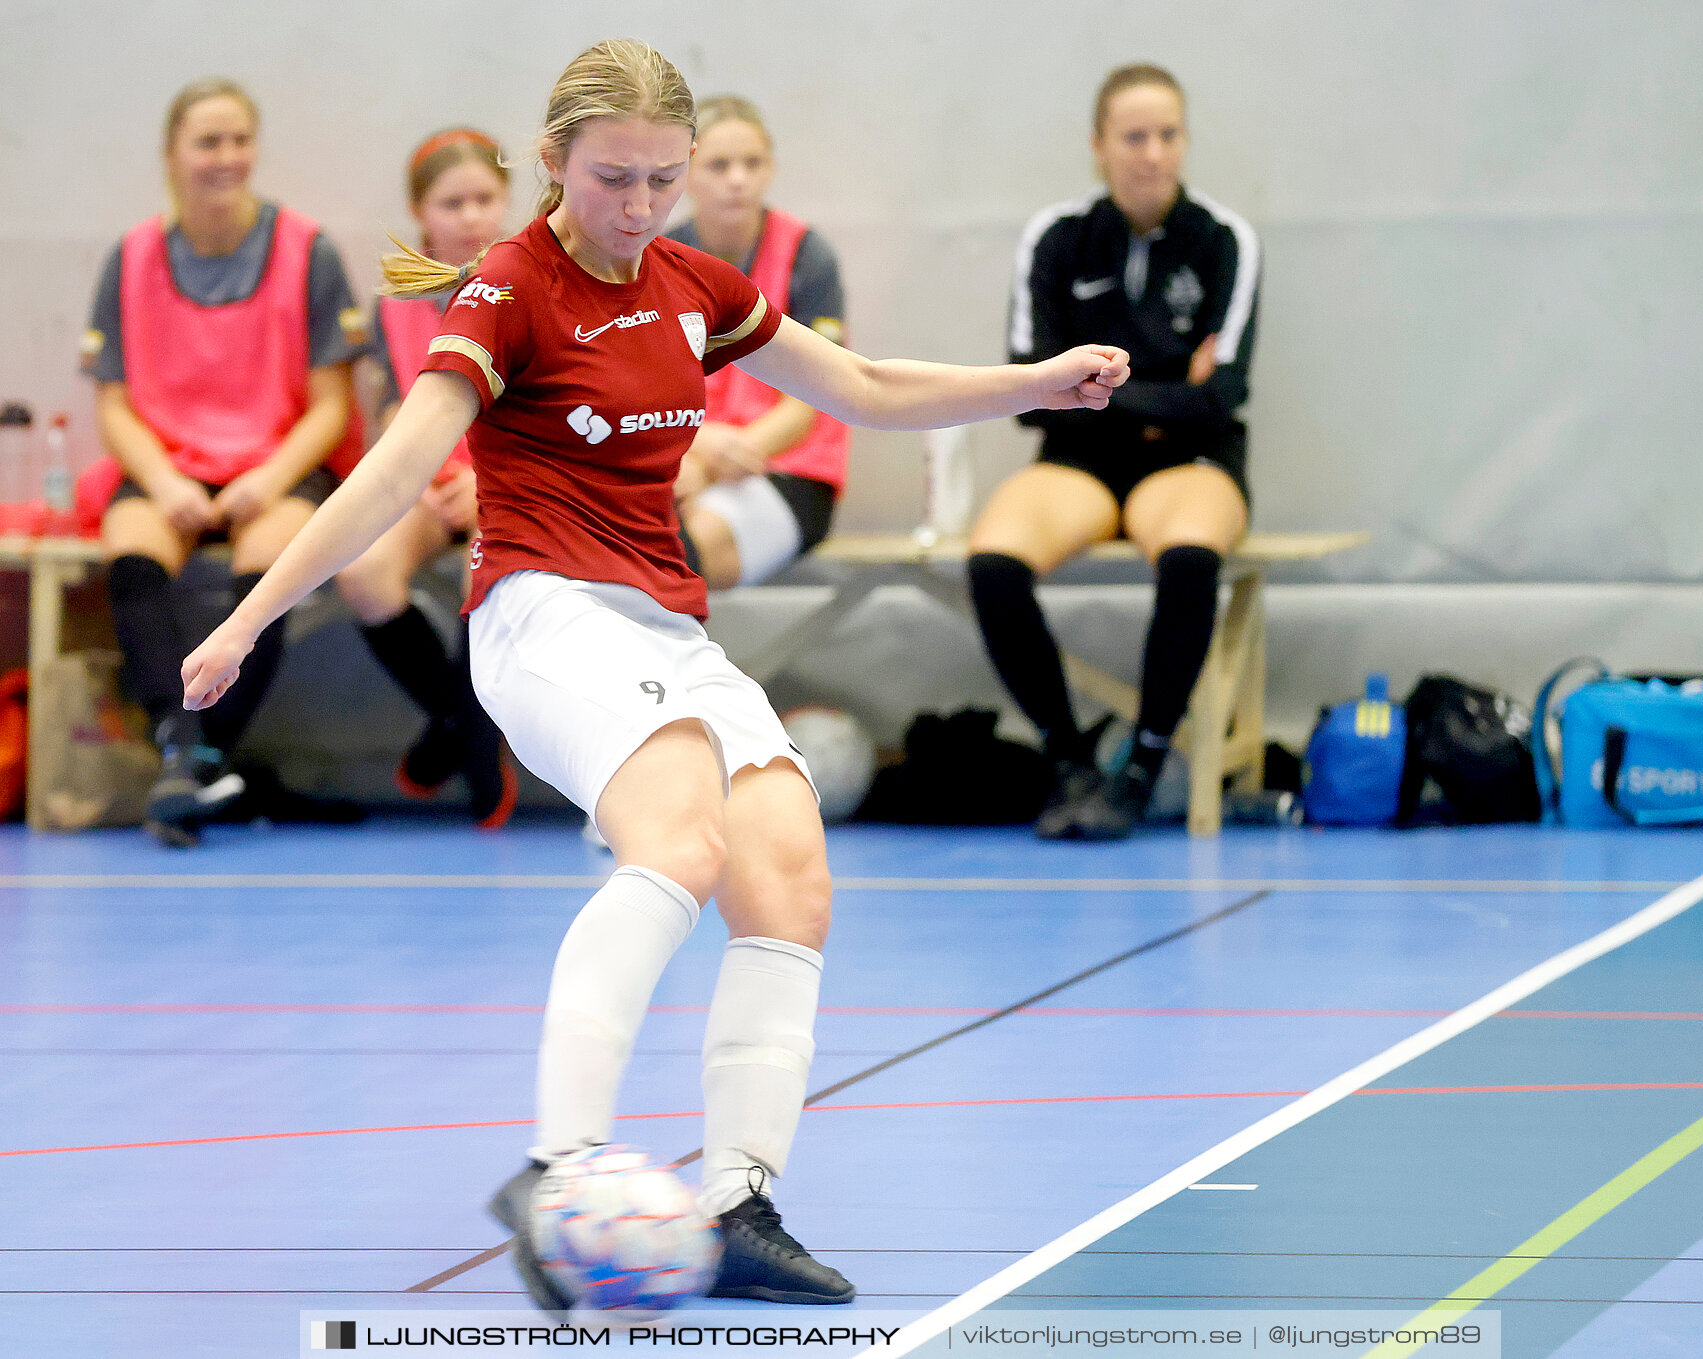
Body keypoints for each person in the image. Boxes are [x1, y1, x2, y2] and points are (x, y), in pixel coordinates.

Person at [179, 39, 1127, 1308]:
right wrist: (248, 620)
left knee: (786, 868)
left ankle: (737, 1200)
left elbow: (858, 384)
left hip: (664, 625)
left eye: (661, 181)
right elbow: (394, 473)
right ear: (554, 163)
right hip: (538, 612)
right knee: (678, 835)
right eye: (613, 179)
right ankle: (557, 1167)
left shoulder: (692, 283)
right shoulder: (504, 291)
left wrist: (1039, 384)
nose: (638, 207)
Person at [969, 62, 1260, 841]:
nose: (1152, 153)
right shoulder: (1057, 239)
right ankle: (1069, 758)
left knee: (1192, 555)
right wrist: (1166, 393)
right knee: (993, 562)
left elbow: (1222, 396)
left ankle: (1144, 766)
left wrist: (1092, 386)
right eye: (1134, 136)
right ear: (1100, 146)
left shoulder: (1224, 241)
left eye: (1168, 135)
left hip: (1191, 461)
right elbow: (1029, 391)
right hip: (1081, 464)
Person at [79, 78, 365, 848]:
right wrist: (168, 481)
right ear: (172, 156)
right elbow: (113, 404)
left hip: (275, 462)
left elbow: (331, 405)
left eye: (241, 139)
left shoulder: (309, 250)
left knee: (274, 564)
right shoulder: (133, 256)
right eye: (209, 142)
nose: (227, 157)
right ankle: (189, 750)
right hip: (170, 462)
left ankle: (194, 755)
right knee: (133, 557)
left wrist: (265, 480)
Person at [336, 128, 517, 827]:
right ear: (422, 212)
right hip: (425, 480)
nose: (471, 215)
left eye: (484, 199)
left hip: (504, 478)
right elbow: (389, 413)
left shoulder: (530, 280)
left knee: (487, 572)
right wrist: (425, 478)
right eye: (452, 202)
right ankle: (457, 717)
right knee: (363, 573)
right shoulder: (393, 302)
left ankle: (471, 742)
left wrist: (481, 477)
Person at [664, 96, 849, 589]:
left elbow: (806, 404)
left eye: (753, 163)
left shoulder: (807, 256)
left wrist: (716, 461)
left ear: (771, 168)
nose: (738, 179)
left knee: (672, 552)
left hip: (784, 467)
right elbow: (643, 391)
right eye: (719, 165)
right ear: (683, 171)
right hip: (683, 458)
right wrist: (698, 451)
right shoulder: (656, 258)